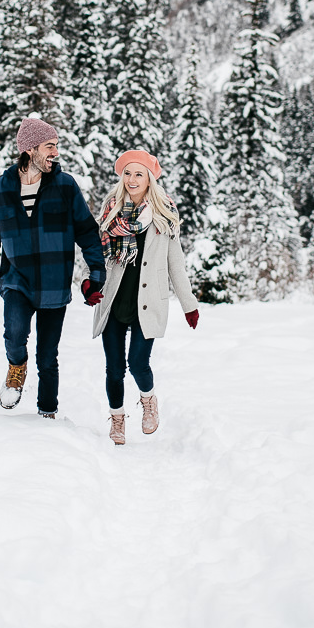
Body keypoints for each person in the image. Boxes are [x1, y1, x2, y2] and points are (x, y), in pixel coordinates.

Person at [0, 117, 106, 418]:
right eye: (50, 146)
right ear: (30, 149)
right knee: (14, 335)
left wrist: (96, 273)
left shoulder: (65, 186)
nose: (56, 153)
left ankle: (47, 413)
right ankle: (16, 367)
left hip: (54, 284)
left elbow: (87, 232)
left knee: (47, 357)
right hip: (16, 280)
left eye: (56, 146)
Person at [93, 149, 199, 444]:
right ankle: (117, 419)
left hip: (148, 301)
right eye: (127, 173)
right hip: (114, 298)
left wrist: (189, 304)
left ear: (149, 178)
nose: (132, 179)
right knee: (114, 368)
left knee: (138, 363)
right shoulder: (111, 210)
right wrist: (91, 283)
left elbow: (175, 264)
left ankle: (148, 400)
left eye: (139, 174)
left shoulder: (164, 214)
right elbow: (97, 255)